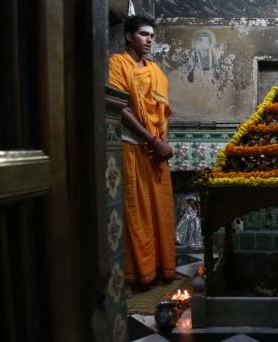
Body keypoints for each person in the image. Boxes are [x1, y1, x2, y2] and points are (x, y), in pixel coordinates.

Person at [108, 15, 176, 287]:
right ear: (128, 36)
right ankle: (140, 274)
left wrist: (163, 143)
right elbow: (121, 107)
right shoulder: (117, 63)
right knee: (138, 212)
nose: (150, 40)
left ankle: (162, 269)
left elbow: (162, 113)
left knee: (160, 209)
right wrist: (152, 139)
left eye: (152, 36)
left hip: (156, 152)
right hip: (132, 147)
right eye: (144, 34)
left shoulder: (156, 71)